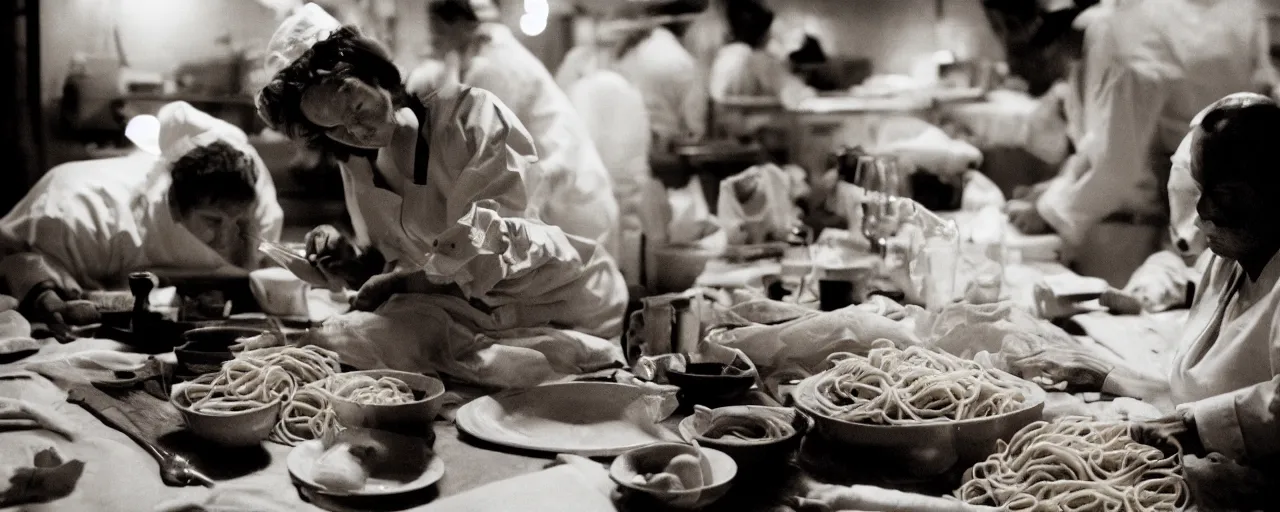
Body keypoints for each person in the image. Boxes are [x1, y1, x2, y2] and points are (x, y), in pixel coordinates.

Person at [254, 2, 626, 348]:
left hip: (561, 310)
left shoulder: (470, 121)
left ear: (377, 76)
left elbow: (488, 248)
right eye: (333, 127)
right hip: (483, 323)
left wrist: (405, 282)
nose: (356, 130)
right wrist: (350, 261)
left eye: (357, 106)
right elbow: (392, 260)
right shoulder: (357, 164)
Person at [1016, 93, 1280, 510]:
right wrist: (1102, 373)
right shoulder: (1230, 256)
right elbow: (1181, 280)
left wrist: (1197, 428)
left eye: (1225, 197)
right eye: (1201, 191)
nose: (1201, 214)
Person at [986, 0, 1276, 286]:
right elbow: (1104, 142)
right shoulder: (1237, 11)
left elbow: (1117, 165)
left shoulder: (1123, 36)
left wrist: (1050, 211)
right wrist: (1053, 190)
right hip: (1205, 220)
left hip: (1135, 230)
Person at [0, 101, 283, 332]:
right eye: (212, 221)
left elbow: (264, 272)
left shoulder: (256, 201)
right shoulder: (80, 208)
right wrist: (40, 293)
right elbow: (12, 253)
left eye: (237, 222)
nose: (226, 238)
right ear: (174, 203)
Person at [425, 0, 621, 260]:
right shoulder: (489, 58)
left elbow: (486, 157)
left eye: (438, 30)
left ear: (462, 25)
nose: (434, 39)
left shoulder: (495, 68)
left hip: (572, 205)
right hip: (565, 199)